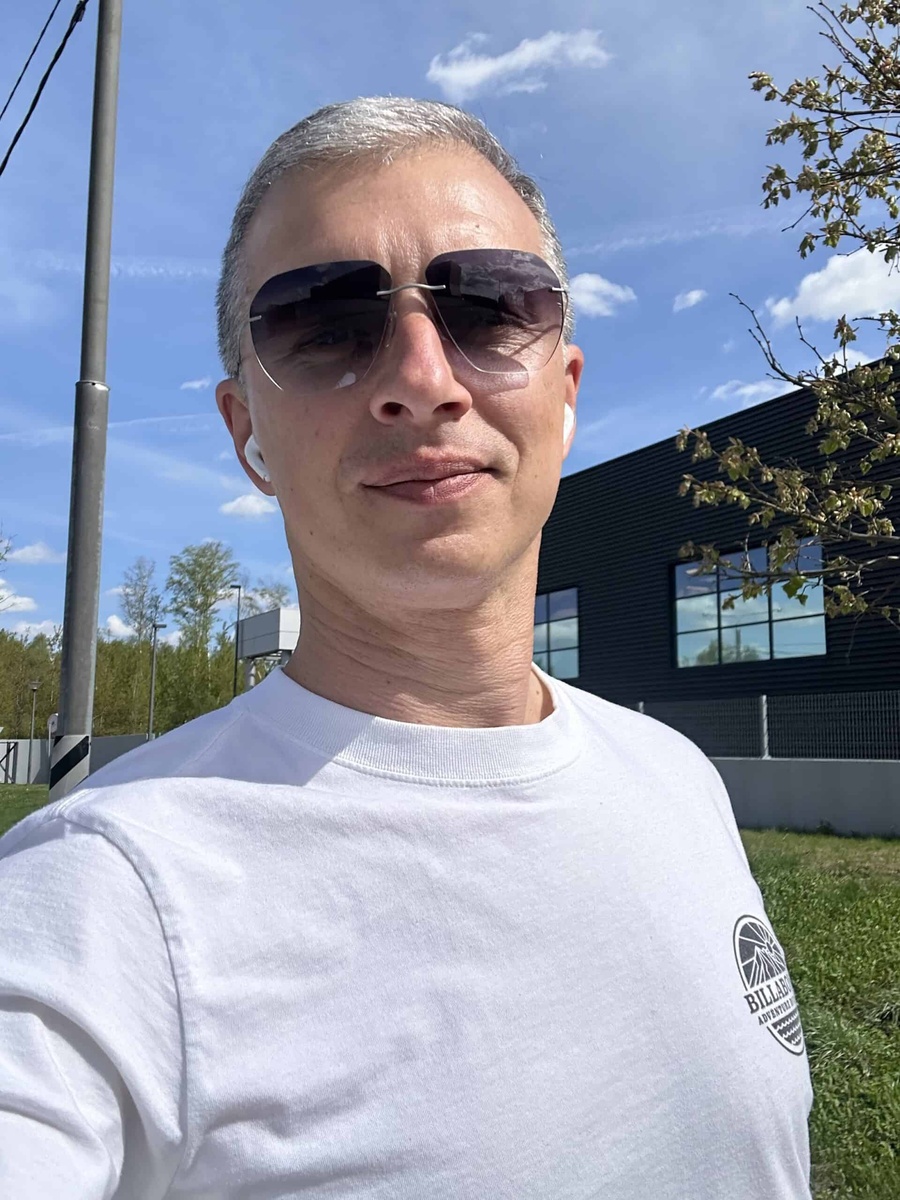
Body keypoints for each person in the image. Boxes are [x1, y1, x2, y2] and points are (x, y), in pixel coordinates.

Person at [0, 97, 814, 1199]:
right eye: (327, 322)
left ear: (565, 395)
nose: (423, 379)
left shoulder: (677, 779)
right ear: (247, 435)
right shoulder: (104, 898)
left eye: (490, 305)